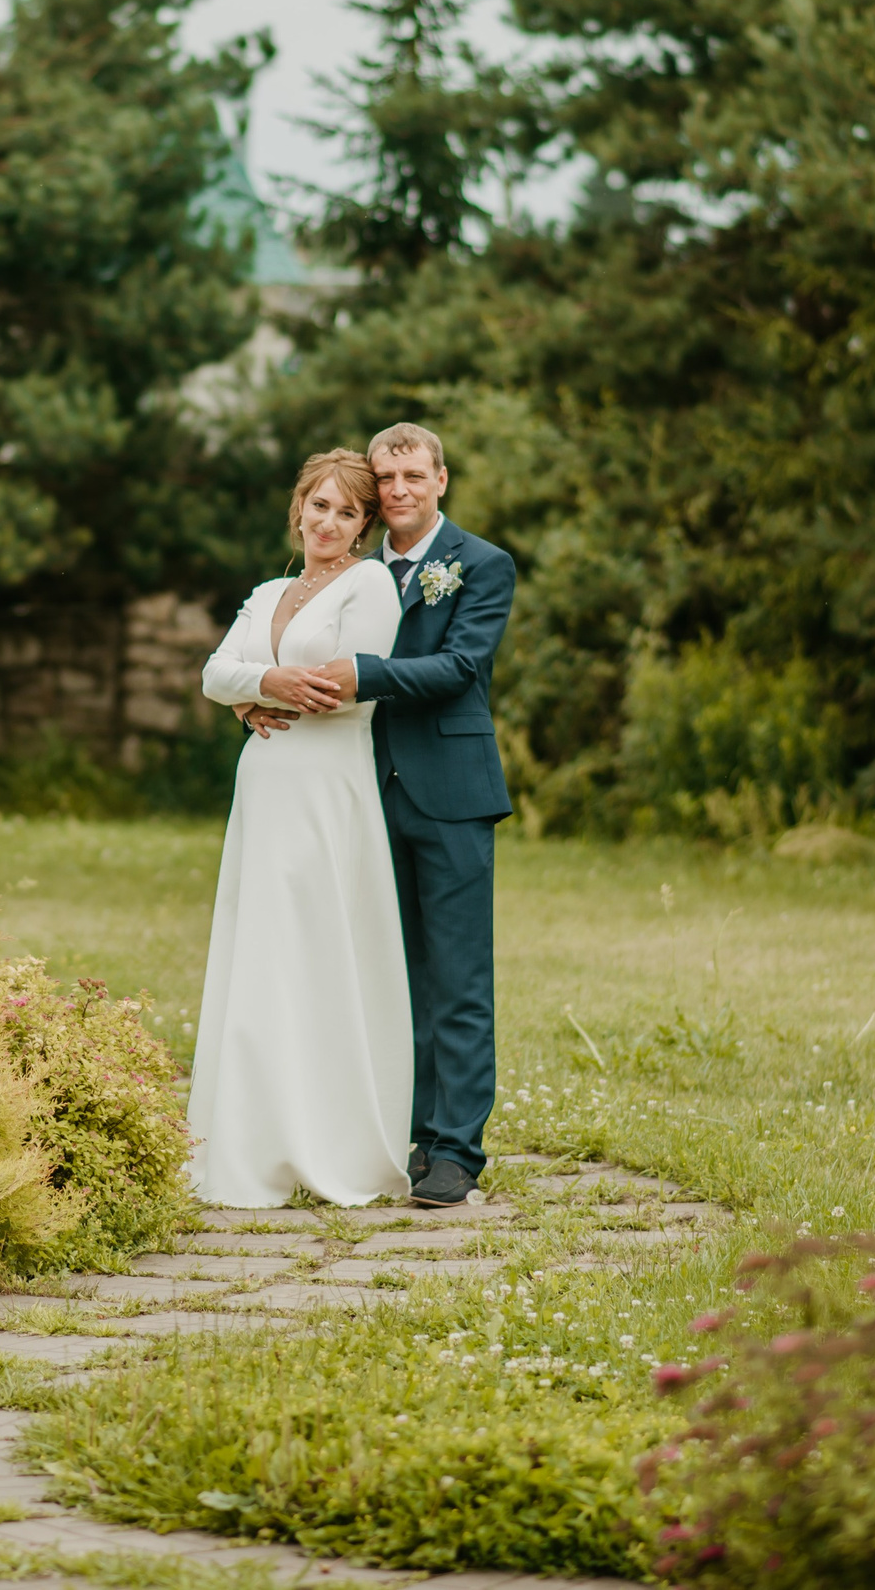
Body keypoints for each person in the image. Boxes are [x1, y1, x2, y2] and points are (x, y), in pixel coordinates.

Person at [239, 423, 516, 1208]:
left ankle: (455, 1148)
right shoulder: (344, 571)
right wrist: (256, 700)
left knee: (456, 975)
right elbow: (280, 643)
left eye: (412, 475)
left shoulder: (481, 564)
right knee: (388, 973)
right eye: (386, 477)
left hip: (451, 790)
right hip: (359, 791)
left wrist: (361, 673)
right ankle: (404, 1132)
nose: (398, 489)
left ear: (441, 479)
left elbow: (462, 666)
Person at [189, 449, 412, 1207]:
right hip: (265, 785)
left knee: (315, 949)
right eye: (319, 505)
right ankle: (253, 1137)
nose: (328, 521)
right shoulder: (269, 590)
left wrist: (263, 687)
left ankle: (326, 1139)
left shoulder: (370, 583)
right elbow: (215, 673)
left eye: (346, 512)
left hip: (326, 788)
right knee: (260, 949)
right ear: (299, 509)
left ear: (362, 526)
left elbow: (351, 684)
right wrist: (259, 686)